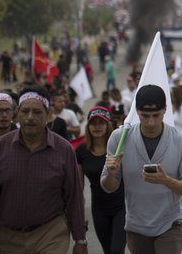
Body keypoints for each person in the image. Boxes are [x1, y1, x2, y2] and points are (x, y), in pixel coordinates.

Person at [0, 87, 88, 253]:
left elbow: (74, 197)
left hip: (51, 234)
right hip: (9, 238)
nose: (30, 117)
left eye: (37, 112)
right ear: (17, 114)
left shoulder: (63, 149)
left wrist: (80, 239)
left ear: (48, 115)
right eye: (25, 111)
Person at [101, 85, 182, 253]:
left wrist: (165, 180)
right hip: (136, 226)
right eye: (145, 116)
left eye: (156, 115)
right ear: (137, 112)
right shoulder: (119, 138)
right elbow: (109, 187)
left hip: (170, 224)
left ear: (165, 110)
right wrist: (110, 174)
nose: (151, 122)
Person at [77, 106, 126, 254]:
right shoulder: (81, 150)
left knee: (116, 250)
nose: (97, 126)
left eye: (101, 122)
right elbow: (79, 187)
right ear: (88, 126)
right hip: (99, 208)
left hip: (122, 206)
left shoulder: (119, 146)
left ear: (108, 125)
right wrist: (78, 213)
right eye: (93, 123)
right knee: (107, 250)